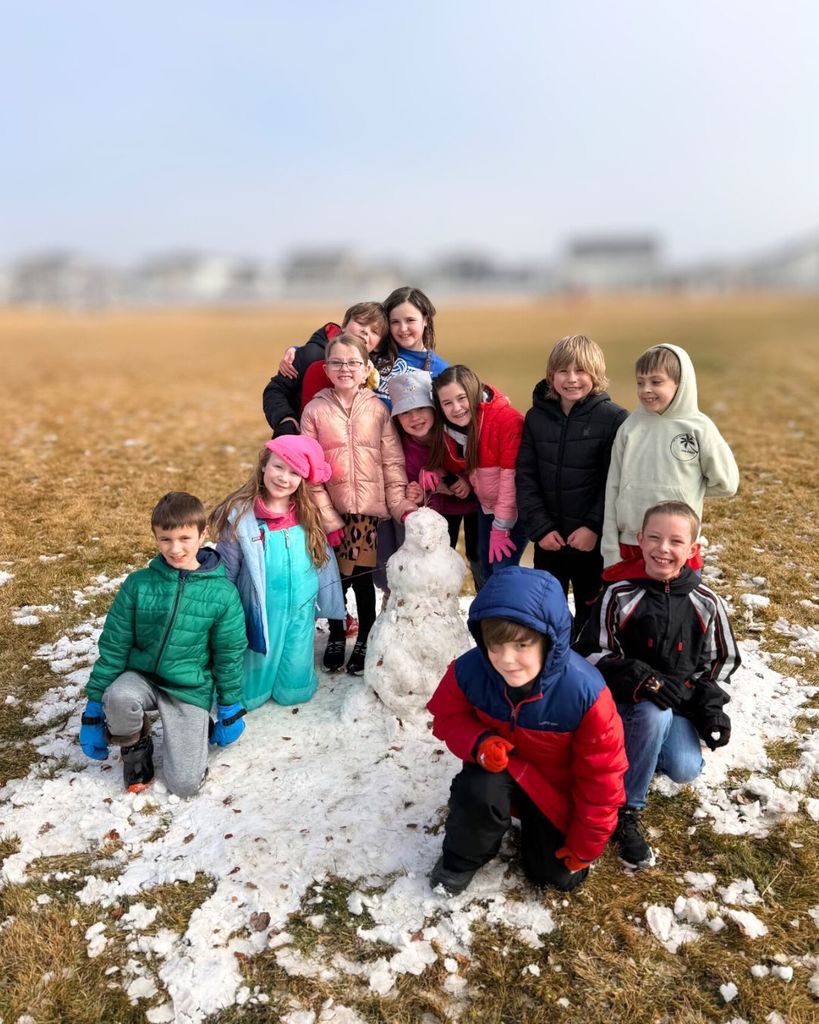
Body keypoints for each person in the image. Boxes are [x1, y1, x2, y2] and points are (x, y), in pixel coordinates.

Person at [427, 566, 627, 896]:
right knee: (478, 788)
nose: (507, 660)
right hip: (498, 773)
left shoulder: (585, 693)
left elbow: (602, 778)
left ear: (550, 641)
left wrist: (585, 845)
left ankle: (539, 834)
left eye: (522, 645)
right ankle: (460, 860)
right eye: (496, 645)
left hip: (554, 790)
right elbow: (446, 718)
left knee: (556, 877)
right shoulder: (469, 671)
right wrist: (479, 743)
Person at [574, 501, 741, 868]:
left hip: (677, 704)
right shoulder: (618, 594)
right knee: (653, 715)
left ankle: (639, 751)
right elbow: (588, 652)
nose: (663, 548)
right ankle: (625, 810)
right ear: (640, 540)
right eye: (654, 537)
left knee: (684, 768)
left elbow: (721, 662)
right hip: (623, 701)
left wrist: (710, 711)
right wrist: (639, 678)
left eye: (676, 541)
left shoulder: (707, 602)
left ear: (692, 550)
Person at [78, 492, 247, 796]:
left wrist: (229, 705)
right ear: (155, 537)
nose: (176, 549)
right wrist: (93, 706)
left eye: (185, 538)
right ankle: (137, 751)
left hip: (187, 687)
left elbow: (228, 654)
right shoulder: (139, 584)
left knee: (184, 785)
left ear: (202, 534)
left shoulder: (223, 594)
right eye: (165, 539)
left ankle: (196, 730)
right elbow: (115, 645)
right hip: (141, 676)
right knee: (118, 697)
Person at [301, 333, 417, 674]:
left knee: (363, 580)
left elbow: (392, 462)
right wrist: (327, 517)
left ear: (366, 367)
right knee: (334, 580)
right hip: (330, 513)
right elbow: (308, 472)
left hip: (366, 514)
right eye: (337, 362)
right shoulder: (315, 410)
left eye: (353, 362)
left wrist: (398, 506)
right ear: (326, 368)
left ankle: (365, 634)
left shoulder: (378, 409)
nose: (344, 369)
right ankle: (337, 631)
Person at [209, 436, 344, 711]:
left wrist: (328, 600)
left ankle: (293, 682)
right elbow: (228, 570)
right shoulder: (242, 517)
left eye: (294, 472)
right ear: (263, 466)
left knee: (295, 691)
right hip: (260, 611)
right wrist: (224, 613)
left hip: (301, 609)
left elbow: (322, 558)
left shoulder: (307, 513)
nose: (284, 478)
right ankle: (252, 686)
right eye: (278, 467)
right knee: (250, 693)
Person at [516, 335, 627, 636]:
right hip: (549, 540)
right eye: (563, 371)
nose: (572, 379)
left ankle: (590, 669)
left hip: (591, 544)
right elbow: (525, 477)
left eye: (581, 371)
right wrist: (540, 528)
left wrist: (593, 527)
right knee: (547, 614)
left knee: (592, 615)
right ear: (551, 375)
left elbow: (614, 483)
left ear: (597, 375)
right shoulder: (536, 417)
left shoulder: (614, 419)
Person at [601, 343, 739, 571]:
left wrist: (685, 490)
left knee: (678, 605)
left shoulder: (699, 428)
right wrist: (610, 550)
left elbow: (727, 484)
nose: (646, 389)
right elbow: (613, 488)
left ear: (680, 384)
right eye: (640, 382)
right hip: (631, 545)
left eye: (656, 382)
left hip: (677, 546)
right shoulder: (629, 428)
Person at [425, 365, 527, 586]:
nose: (457, 408)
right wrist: (441, 473)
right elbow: (459, 464)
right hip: (486, 508)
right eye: (447, 403)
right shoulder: (453, 430)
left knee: (502, 571)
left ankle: (508, 619)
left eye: (462, 398)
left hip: (514, 512)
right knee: (485, 566)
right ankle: (487, 618)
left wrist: (502, 527)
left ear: (473, 392)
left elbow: (511, 481)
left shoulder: (506, 421)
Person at [387, 370, 481, 589]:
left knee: (478, 555)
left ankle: (485, 603)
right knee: (439, 555)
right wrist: (420, 494)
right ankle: (440, 602)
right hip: (443, 509)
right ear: (397, 419)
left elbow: (476, 462)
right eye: (405, 413)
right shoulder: (405, 447)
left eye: (421, 408)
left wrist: (466, 481)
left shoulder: (452, 431)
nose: (415, 418)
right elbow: (417, 487)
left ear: (434, 408)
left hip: (476, 503)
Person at [262, 301, 387, 436]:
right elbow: (276, 390)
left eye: (374, 331)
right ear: (344, 325)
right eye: (361, 323)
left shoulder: (376, 371)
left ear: (378, 346)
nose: (365, 331)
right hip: (302, 437)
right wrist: (286, 420)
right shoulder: (311, 355)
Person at [373, 286, 449, 407]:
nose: (403, 329)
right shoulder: (375, 353)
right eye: (395, 322)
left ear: (425, 320)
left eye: (410, 320)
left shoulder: (441, 370)